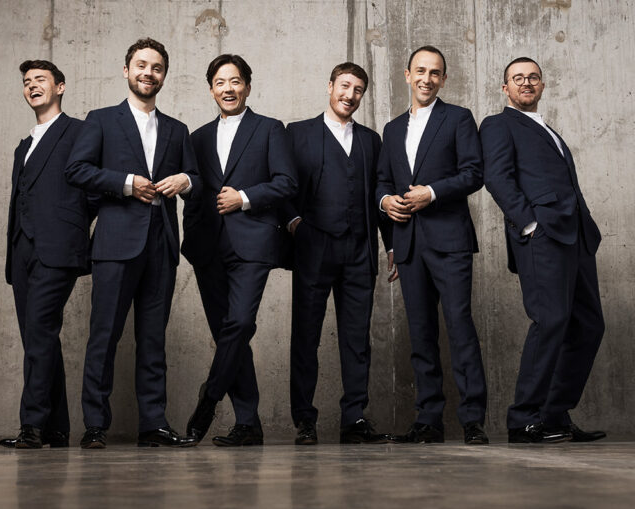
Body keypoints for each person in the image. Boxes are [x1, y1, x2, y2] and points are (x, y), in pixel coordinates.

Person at [65, 38, 200, 449]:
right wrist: (125, 184)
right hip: (115, 244)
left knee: (153, 339)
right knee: (103, 335)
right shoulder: (101, 120)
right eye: (141, 65)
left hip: (160, 244)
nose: (148, 73)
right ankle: (94, 425)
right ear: (127, 71)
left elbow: (196, 178)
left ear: (164, 76)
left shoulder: (177, 129)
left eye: (157, 67)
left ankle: (153, 424)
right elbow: (77, 169)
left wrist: (186, 180)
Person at [480, 57, 607, 443]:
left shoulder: (547, 129)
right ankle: (523, 419)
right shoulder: (498, 124)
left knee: (588, 326)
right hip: (544, 236)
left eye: (533, 77)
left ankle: (553, 415)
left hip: (577, 237)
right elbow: (496, 177)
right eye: (517, 79)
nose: (526, 83)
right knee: (550, 320)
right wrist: (531, 224)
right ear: (505, 89)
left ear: (543, 84)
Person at [376, 46, 489, 444]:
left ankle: (473, 420)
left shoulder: (458, 118)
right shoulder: (390, 130)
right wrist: (384, 202)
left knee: (460, 328)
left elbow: (474, 174)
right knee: (420, 334)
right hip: (407, 244)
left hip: (449, 240)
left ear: (444, 79)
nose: (427, 78)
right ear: (407, 75)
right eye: (420, 71)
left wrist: (433, 192)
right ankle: (429, 420)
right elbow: (382, 183)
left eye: (435, 73)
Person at [182, 54, 297, 447]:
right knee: (228, 334)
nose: (227, 89)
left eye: (235, 81)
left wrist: (244, 197)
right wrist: (192, 233)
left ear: (247, 85)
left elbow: (286, 183)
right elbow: (193, 192)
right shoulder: (195, 138)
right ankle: (248, 422)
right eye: (219, 82)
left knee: (240, 324)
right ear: (211, 88)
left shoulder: (269, 129)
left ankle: (209, 398)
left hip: (253, 242)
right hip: (207, 246)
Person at [282, 62, 393, 445]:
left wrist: (391, 244)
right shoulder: (297, 133)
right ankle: (304, 420)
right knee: (306, 337)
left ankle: (353, 419)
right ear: (330, 86)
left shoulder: (371, 140)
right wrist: (294, 221)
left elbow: (378, 193)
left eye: (358, 89)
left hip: (360, 249)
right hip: (313, 248)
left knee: (356, 338)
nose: (350, 95)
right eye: (344, 86)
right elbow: (281, 184)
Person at [0, 60, 91, 449]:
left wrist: (77, 226)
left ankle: (32, 427)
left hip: (58, 249)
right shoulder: (24, 145)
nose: (32, 86)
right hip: (22, 250)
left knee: (39, 332)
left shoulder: (80, 132)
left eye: (40, 79)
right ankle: (56, 428)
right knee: (39, 338)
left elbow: (96, 184)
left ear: (61, 87)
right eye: (26, 82)